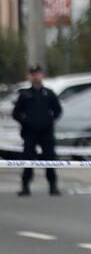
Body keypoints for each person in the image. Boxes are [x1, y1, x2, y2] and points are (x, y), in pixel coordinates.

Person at [12, 65, 63, 196]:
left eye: (38, 74)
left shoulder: (49, 93)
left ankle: (53, 186)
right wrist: (26, 121)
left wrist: (49, 120)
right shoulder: (24, 94)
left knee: (50, 159)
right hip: (30, 133)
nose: (36, 76)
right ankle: (25, 186)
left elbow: (57, 110)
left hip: (46, 132)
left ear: (42, 75)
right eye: (33, 74)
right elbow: (16, 113)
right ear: (29, 76)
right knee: (27, 159)